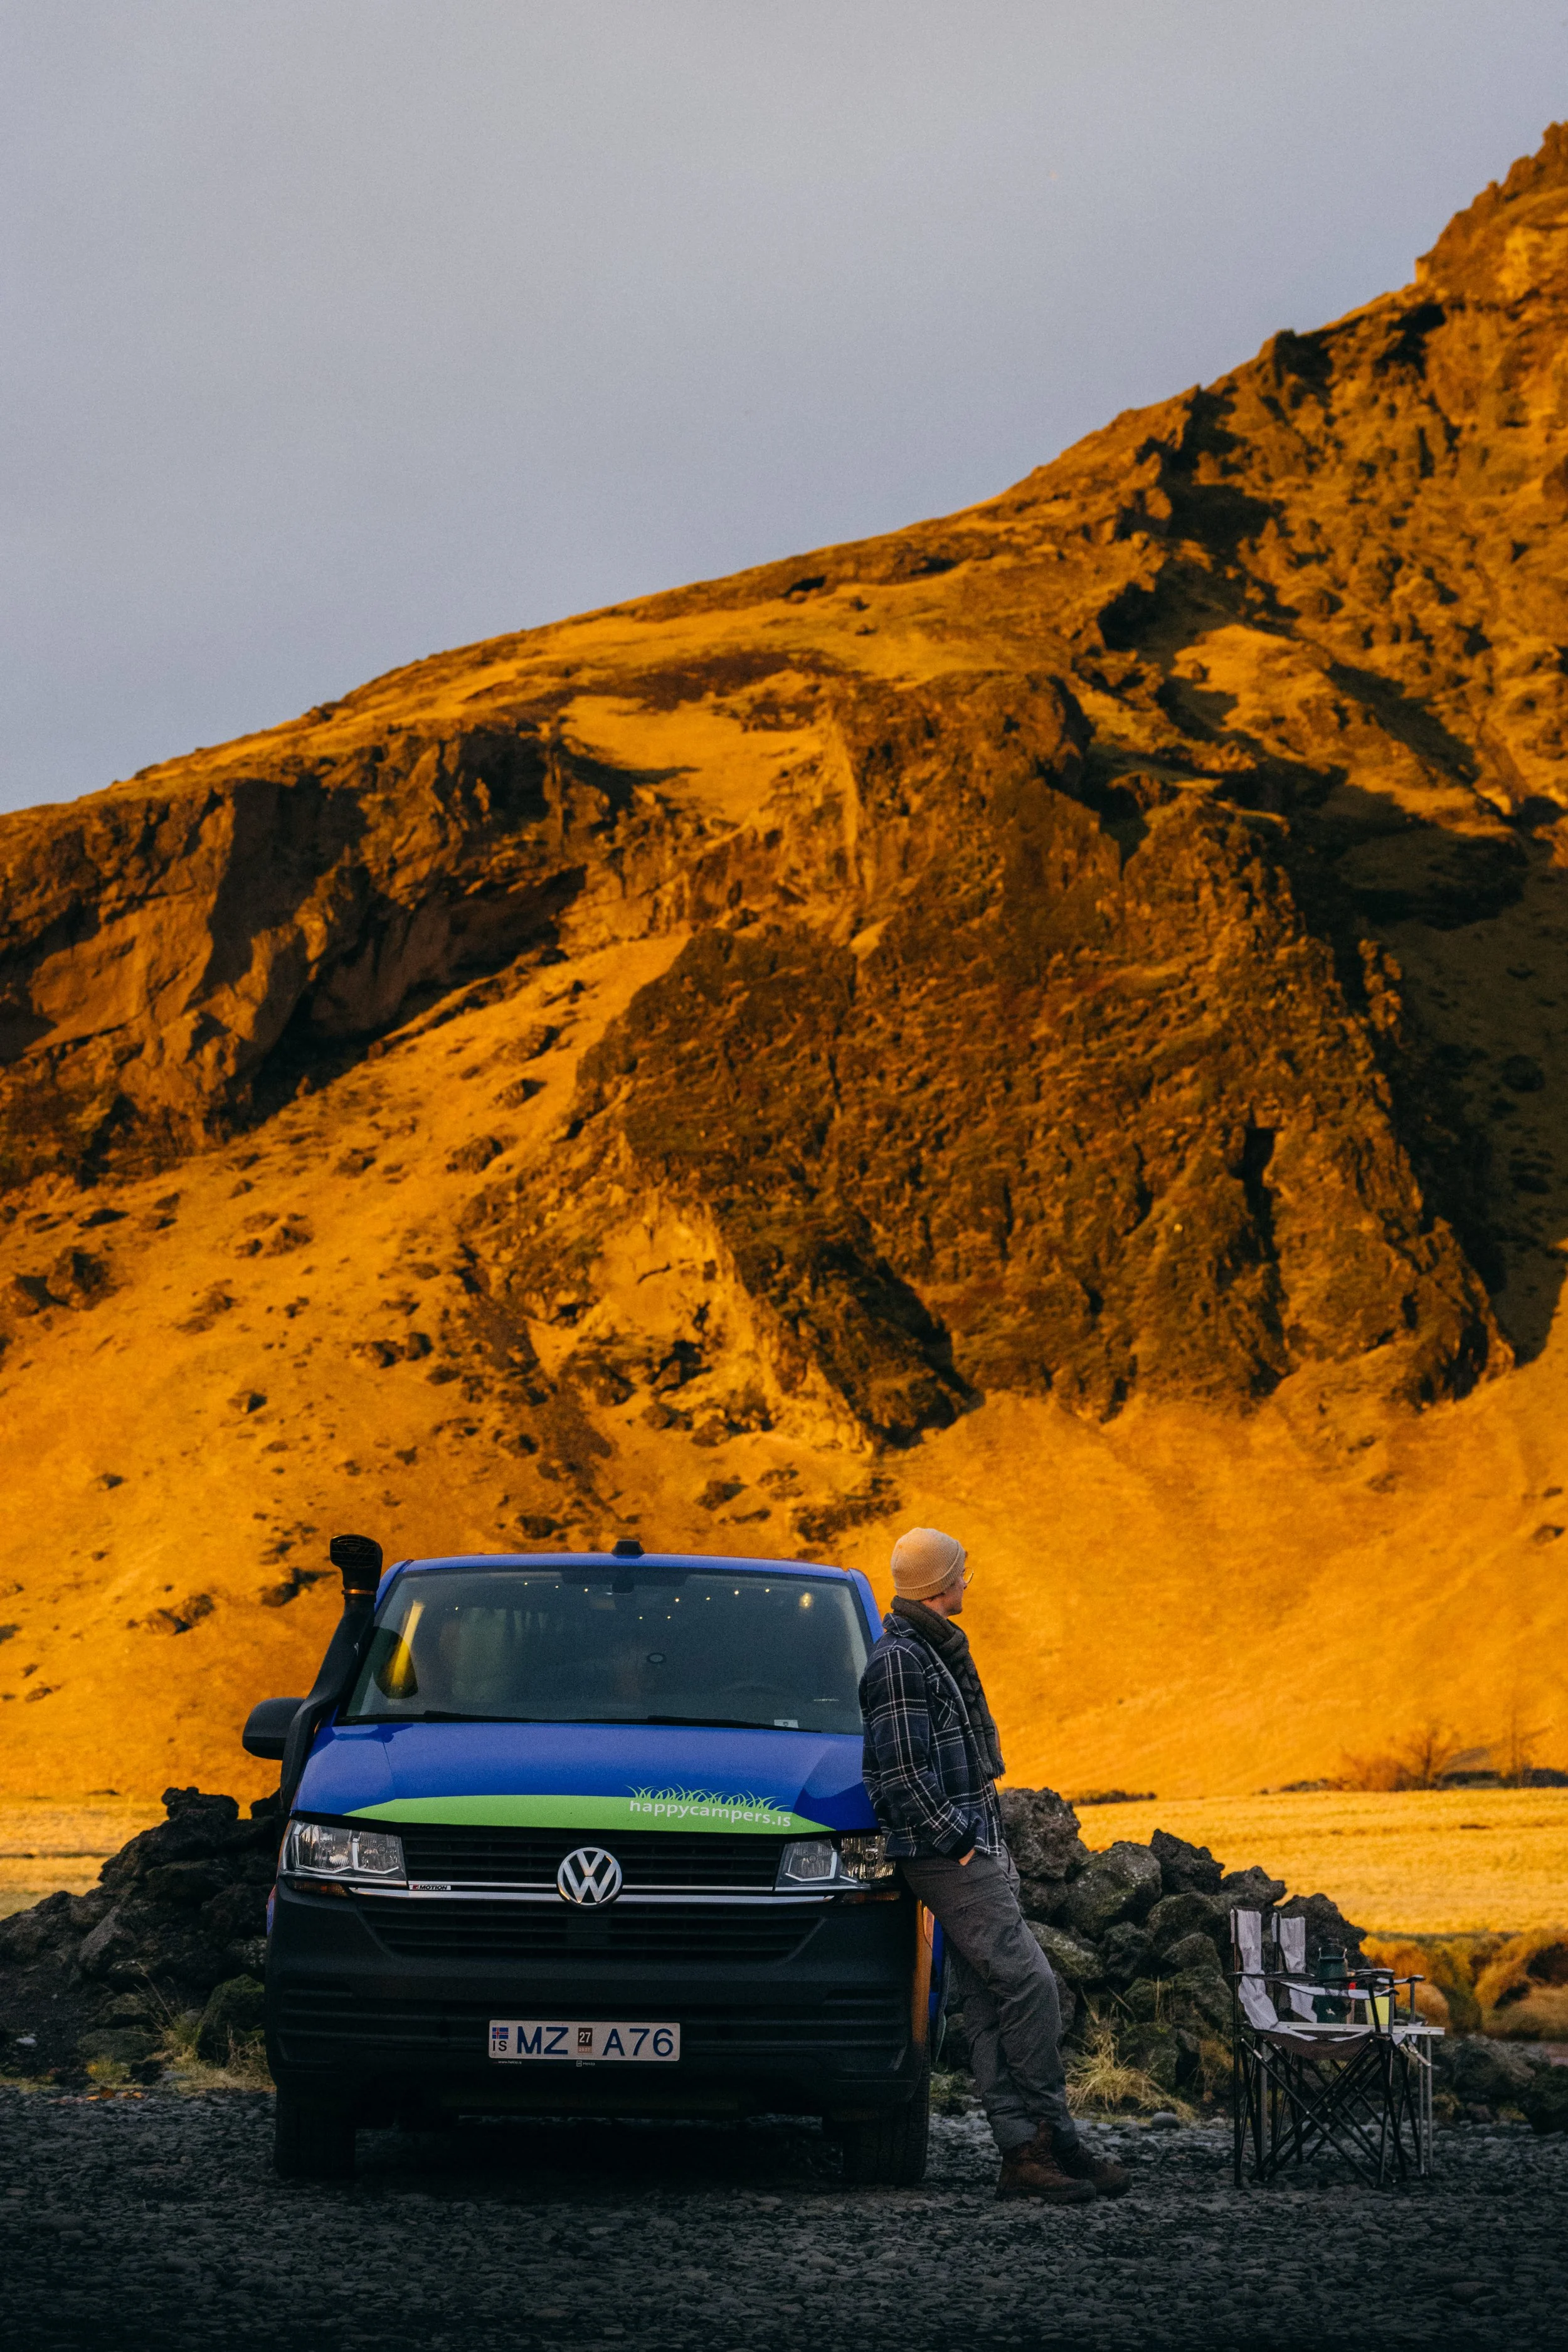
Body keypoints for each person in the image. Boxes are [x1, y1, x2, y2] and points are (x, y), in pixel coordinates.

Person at [859, 1525, 1129, 2204]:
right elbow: (898, 1774)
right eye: (960, 1571)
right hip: (946, 1854)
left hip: (971, 1845)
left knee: (983, 2001)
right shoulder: (900, 1660)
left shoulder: (932, 1648)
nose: (967, 1579)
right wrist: (960, 1842)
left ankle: (1024, 2155)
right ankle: (1055, 2136)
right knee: (1030, 1984)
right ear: (936, 1582)